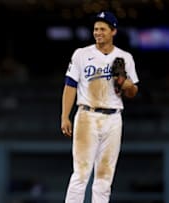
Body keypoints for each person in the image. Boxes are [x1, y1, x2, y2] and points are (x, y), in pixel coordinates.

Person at [60, 11, 139, 203]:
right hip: (88, 115)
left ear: (113, 31)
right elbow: (70, 86)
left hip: (113, 117)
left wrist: (127, 85)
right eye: (95, 29)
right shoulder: (81, 54)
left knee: (105, 177)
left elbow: (132, 92)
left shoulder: (124, 57)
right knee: (81, 174)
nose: (98, 32)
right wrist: (65, 116)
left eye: (102, 29)